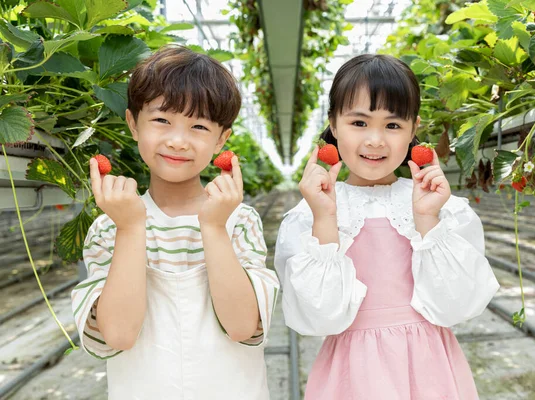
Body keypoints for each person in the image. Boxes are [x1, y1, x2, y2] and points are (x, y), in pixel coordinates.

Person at [274, 54, 499, 399]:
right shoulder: (309, 216)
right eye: (359, 123)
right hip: (353, 375)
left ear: (413, 129)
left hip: (430, 371)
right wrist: (324, 219)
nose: (376, 140)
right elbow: (321, 318)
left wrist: (426, 220)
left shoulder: (442, 209)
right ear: (333, 125)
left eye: (392, 125)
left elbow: (455, 306)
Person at [71, 45, 279, 399]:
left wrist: (213, 227)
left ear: (221, 140)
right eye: (162, 120)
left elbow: (243, 326)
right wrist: (131, 228)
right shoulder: (111, 227)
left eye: (198, 126)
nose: (178, 141)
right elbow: (119, 334)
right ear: (133, 124)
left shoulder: (237, 220)